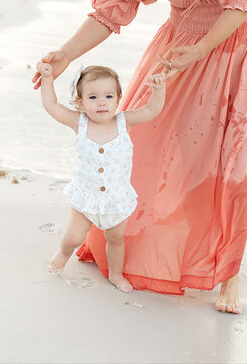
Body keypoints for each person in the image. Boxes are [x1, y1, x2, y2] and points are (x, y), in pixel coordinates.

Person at [33, 0, 247, 314]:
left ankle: (229, 276)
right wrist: (67, 53)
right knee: (148, 141)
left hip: (239, 48)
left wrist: (201, 50)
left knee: (232, 157)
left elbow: (243, 4)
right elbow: (114, 10)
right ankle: (145, 245)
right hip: (178, 52)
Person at [36, 61, 166, 293]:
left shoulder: (123, 122)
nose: (102, 102)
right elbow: (51, 104)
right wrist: (47, 79)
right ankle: (62, 255)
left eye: (108, 96)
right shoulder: (80, 123)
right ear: (81, 102)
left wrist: (158, 90)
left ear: (118, 99)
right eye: (93, 98)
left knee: (116, 238)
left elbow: (151, 110)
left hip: (116, 198)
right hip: (86, 197)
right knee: (74, 237)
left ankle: (116, 274)